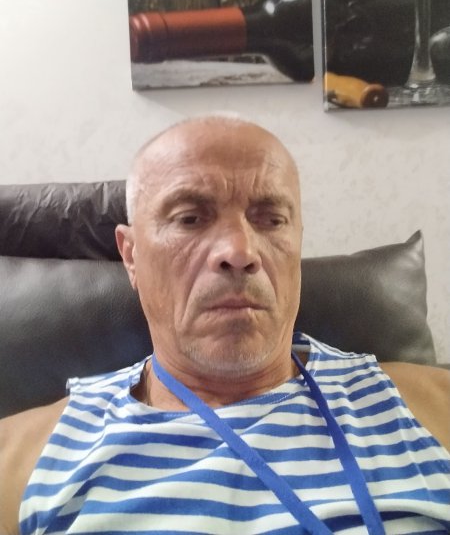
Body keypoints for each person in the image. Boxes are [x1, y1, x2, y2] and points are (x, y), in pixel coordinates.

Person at [0, 116, 449, 535]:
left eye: (270, 219)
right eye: (190, 219)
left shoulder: (426, 407)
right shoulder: (26, 458)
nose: (240, 251)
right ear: (131, 256)